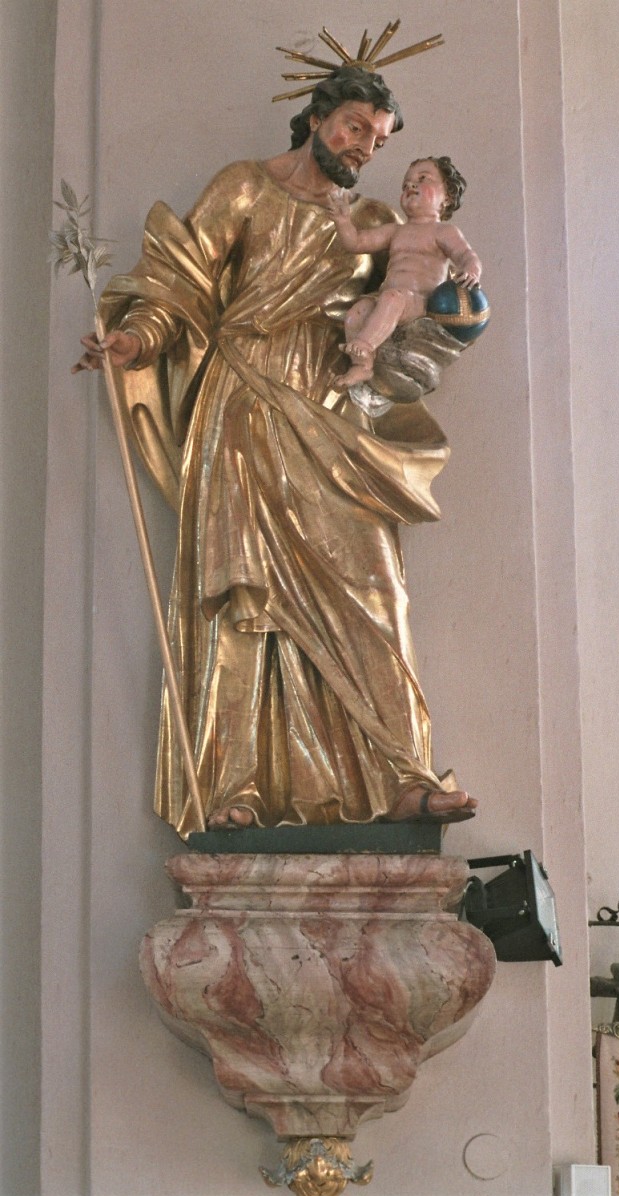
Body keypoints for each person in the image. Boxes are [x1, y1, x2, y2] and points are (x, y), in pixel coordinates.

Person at [74, 67, 477, 835]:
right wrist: (137, 337)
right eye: (356, 126)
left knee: (376, 590)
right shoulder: (243, 189)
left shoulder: (371, 217)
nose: (365, 147)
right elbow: (179, 283)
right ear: (318, 117)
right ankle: (235, 786)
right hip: (240, 404)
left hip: (327, 414)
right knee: (242, 599)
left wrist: (453, 310)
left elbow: (414, 306)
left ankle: (404, 775)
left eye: (381, 139)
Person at [328, 156, 482, 387]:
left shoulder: (443, 231)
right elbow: (356, 243)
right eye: (406, 184)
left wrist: (471, 271)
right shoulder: (395, 231)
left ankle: (365, 345)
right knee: (356, 313)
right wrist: (342, 221)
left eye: (422, 179)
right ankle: (362, 366)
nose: (411, 186)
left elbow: (467, 256)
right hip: (387, 300)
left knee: (393, 298)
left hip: (420, 303)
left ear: (447, 198)